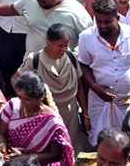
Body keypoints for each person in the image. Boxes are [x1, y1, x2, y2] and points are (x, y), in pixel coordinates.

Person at [79, 0, 130, 145]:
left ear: (117, 18)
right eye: (99, 21)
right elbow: (83, 65)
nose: (102, 25)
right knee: (101, 143)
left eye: (107, 21)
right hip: (100, 102)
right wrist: (95, 87)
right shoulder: (86, 37)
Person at [18, 24, 89, 154]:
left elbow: (79, 88)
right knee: (51, 151)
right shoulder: (34, 60)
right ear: (48, 41)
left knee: (74, 151)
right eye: (60, 45)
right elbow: (16, 79)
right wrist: (25, 100)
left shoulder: (72, 58)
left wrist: (85, 114)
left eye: (66, 45)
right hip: (46, 116)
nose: (64, 49)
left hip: (71, 114)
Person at [0, 71, 73, 166]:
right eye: (20, 97)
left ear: (39, 98)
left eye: (27, 99)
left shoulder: (52, 121)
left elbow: (55, 155)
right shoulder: (12, 106)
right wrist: (2, 146)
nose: (22, 102)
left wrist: (24, 156)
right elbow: (1, 132)